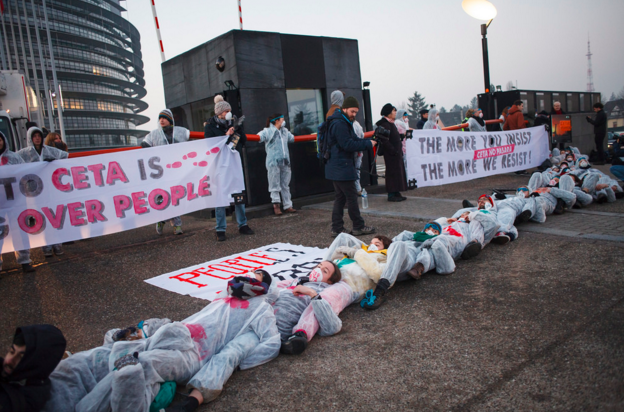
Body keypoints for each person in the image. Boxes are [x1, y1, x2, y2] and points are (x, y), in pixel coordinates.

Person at [204, 95, 254, 241]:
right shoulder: (210, 126)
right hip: (220, 165)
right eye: (225, 111)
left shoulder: (235, 123)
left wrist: (237, 131)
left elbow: (243, 140)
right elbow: (210, 145)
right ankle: (220, 229)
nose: (228, 113)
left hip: (234, 163)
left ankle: (242, 224)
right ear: (219, 113)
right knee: (221, 196)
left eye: (229, 111)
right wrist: (226, 135)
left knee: (238, 193)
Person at [325, 96, 376, 237]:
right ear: (345, 108)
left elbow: (353, 139)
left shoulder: (343, 121)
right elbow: (347, 145)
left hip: (338, 166)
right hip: (342, 167)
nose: (354, 114)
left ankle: (337, 228)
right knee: (351, 196)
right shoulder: (340, 124)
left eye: (356, 112)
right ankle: (358, 226)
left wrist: (368, 141)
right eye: (352, 111)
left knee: (340, 197)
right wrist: (367, 144)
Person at [18, 127, 68, 257]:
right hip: (35, 191)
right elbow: (13, 162)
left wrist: (54, 163)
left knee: (55, 216)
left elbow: (65, 155)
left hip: (51, 188)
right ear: (30, 138)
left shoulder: (49, 150)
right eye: (34, 136)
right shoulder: (24, 153)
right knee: (41, 218)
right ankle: (46, 247)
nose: (37, 138)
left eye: (39, 135)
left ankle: (57, 245)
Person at [274, 261, 343, 355]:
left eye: (324, 271)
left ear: (330, 281)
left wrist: (311, 293)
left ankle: (294, 339)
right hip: (265, 312)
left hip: (280, 324)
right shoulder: (299, 280)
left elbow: (332, 326)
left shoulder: (325, 292)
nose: (318, 270)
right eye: (318, 266)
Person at [141, 109, 190, 236]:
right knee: (159, 197)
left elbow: (189, 138)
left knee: (173, 197)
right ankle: (160, 220)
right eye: (160, 118)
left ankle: (176, 225)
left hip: (174, 171)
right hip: (159, 172)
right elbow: (144, 144)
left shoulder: (179, 132)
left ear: (170, 120)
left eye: (164, 118)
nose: (161, 120)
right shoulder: (154, 134)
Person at [0, 325, 66, 412]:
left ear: (36, 365)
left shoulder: (27, 399)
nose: (9, 361)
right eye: (12, 352)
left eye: (21, 358)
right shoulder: (12, 371)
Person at [0, 132, 35, 273]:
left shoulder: (14, 158)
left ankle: (24, 260)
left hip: (15, 201)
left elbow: (27, 173)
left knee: (19, 231)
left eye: (0, 139)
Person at [258, 114, 296, 215]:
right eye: (282, 119)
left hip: (285, 162)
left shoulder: (285, 131)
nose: (284, 121)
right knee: (274, 184)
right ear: (277, 120)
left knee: (285, 184)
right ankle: (276, 206)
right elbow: (259, 137)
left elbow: (292, 138)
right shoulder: (267, 131)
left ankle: (288, 205)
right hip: (273, 162)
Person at [377, 104, 407, 202]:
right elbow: (385, 140)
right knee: (392, 173)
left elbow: (393, 136)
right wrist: (393, 150)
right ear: (388, 113)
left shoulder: (391, 123)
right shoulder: (385, 124)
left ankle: (396, 191)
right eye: (394, 111)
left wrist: (401, 136)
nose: (395, 113)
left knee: (398, 172)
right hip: (391, 154)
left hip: (396, 153)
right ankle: (391, 193)